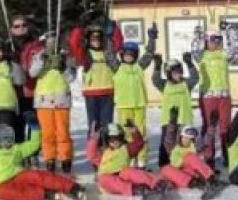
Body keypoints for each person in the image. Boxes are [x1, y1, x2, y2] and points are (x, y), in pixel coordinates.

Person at [0, 120, 86, 200]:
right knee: (6, 194)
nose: (6, 143)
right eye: (2, 139)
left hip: (18, 174)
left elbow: (34, 145)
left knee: (38, 176)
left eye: (9, 139)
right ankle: (46, 194)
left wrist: (34, 127)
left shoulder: (16, 149)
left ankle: (73, 188)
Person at [69, 19, 121, 141]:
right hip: (91, 93)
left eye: (99, 38)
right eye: (93, 38)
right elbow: (73, 42)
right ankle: (93, 150)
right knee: (93, 125)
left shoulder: (108, 52)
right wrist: (79, 28)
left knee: (107, 124)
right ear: (88, 39)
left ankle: (106, 149)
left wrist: (115, 29)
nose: (96, 41)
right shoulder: (85, 53)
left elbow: (118, 43)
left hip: (108, 91)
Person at [29, 33, 74, 172]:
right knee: (47, 132)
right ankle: (50, 158)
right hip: (44, 100)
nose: (51, 45)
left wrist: (63, 67)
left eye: (54, 42)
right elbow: (32, 73)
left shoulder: (65, 56)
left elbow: (71, 77)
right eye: (49, 42)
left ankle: (65, 158)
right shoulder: (39, 55)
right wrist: (41, 61)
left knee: (62, 131)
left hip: (61, 99)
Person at [88, 121, 167, 198]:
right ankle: (134, 189)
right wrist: (94, 139)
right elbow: (91, 154)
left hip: (123, 176)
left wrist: (134, 131)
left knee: (128, 171)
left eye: (118, 138)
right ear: (107, 139)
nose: (115, 141)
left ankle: (155, 183)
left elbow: (138, 144)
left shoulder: (126, 149)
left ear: (122, 138)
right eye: (112, 139)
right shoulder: (104, 153)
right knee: (103, 179)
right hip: (111, 183)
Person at [113, 30, 156, 166]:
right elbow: (108, 55)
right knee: (127, 133)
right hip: (124, 105)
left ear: (136, 55)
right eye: (126, 54)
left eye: (132, 54)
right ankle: (130, 158)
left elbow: (149, 55)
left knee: (141, 131)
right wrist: (110, 37)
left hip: (139, 104)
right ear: (121, 55)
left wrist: (151, 39)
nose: (129, 57)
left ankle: (142, 159)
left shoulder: (139, 67)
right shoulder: (117, 67)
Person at [151, 54, 198, 167]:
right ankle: (165, 165)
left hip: (184, 119)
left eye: (180, 71)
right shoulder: (164, 85)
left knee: (185, 142)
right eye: (175, 72)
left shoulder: (186, 84)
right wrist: (157, 67)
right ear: (168, 73)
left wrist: (190, 64)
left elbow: (195, 78)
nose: (179, 74)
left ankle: (187, 163)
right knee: (166, 143)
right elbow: (155, 80)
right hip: (168, 120)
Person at [195, 30, 232, 167]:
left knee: (226, 126)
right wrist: (198, 37)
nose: (214, 44)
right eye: (211, 41)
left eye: (217, 41)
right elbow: (195, 50)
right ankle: (209, 157)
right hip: (208, 95)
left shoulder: (223, 54)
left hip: (224, 95)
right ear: (205, 41)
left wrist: (228, 31)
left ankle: (227, 154)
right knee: (209, 126)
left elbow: (235, 48)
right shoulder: (201, 54)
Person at [159, 123, 221, 192]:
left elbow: (207, 141)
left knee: (190, 157)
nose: (186, 140)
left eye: (190, 139)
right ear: (180, 137)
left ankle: (210, 178)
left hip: (196, 173)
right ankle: (163, 185)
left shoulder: (196, 148)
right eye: (185, 138)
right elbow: (175, 164)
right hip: (183, 177)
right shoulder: (175, 149)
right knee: (165, 169)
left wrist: (212, 127)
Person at [8, 14, 45, 117]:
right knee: (17, 125)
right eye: (17, 26)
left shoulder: (36, 44)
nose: (21, 28)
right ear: (11, 29)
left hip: (32, 90)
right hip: (12, 92)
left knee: (34, 124)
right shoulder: (6, 46)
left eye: (24, 25)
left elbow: (37, 66)